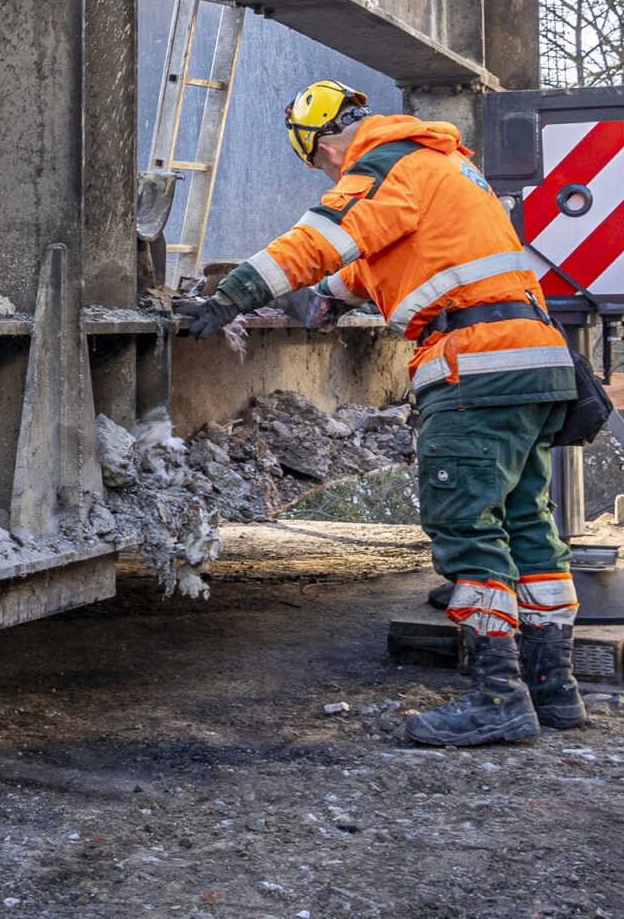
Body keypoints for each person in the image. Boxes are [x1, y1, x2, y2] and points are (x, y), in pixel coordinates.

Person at [175, 81, 582, 747]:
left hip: (472, 364)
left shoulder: (384, 162)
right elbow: (347, 279)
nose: (329, 175)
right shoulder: (444, 168)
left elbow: (321, 240)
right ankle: (553, 689)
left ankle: (497, 697)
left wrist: (231, 297)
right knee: (526, 522)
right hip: (532, 362)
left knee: (467, 525)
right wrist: (298, 302)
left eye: (319, 165)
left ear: (321, 145)